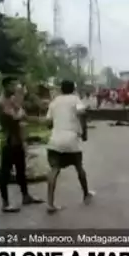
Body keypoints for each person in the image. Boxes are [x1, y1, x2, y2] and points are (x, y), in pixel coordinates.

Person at [44, 80, 94, 214]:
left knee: (54, 170)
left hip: (55, 139)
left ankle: (50, 203)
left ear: (61, 89)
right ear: (73, 89)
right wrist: (84, 132)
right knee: (79, 167)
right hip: (71, 139)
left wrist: (55, 125)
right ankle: (86, 194)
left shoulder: (54, 102)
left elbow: (48, 122)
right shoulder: (75, 99)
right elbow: (82, 113)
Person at [0, 77, 43, 213]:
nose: (15, 87)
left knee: (21, 171)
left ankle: (25, 196)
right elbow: (15, 117)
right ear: (6, 86)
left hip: (17, 141)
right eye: (12, 85)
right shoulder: (2, 103)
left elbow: (23, 117)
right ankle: (5, 203)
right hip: (8, 142)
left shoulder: (13, 103)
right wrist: (18, 106)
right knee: (5, 173)